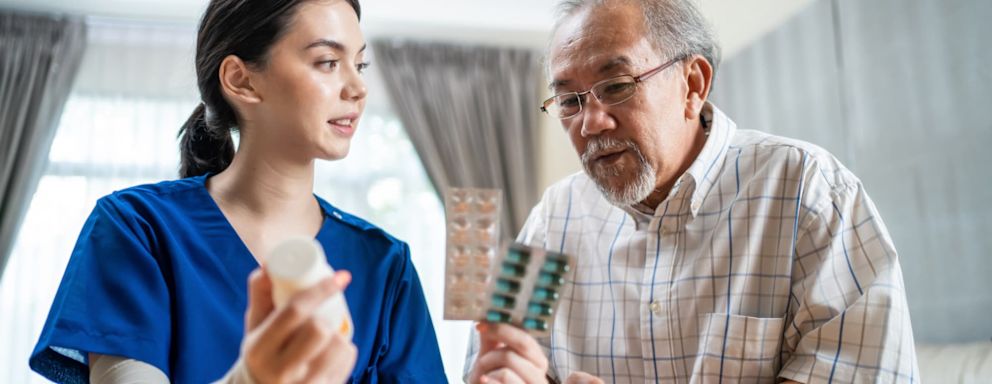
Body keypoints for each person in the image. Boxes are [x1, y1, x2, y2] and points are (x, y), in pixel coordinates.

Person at [466, 0, 919, 383]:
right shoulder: (552, 220)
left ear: (693, 85)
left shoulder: (808, 190)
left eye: (617, 87)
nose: (590, 123)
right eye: (569, 100)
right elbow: (495, 360)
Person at [29, 0, 446, 382]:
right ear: (241, 80)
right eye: (327, 62)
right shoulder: (138, 227)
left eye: (360, 64)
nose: (357, 88)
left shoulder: (385, 266)